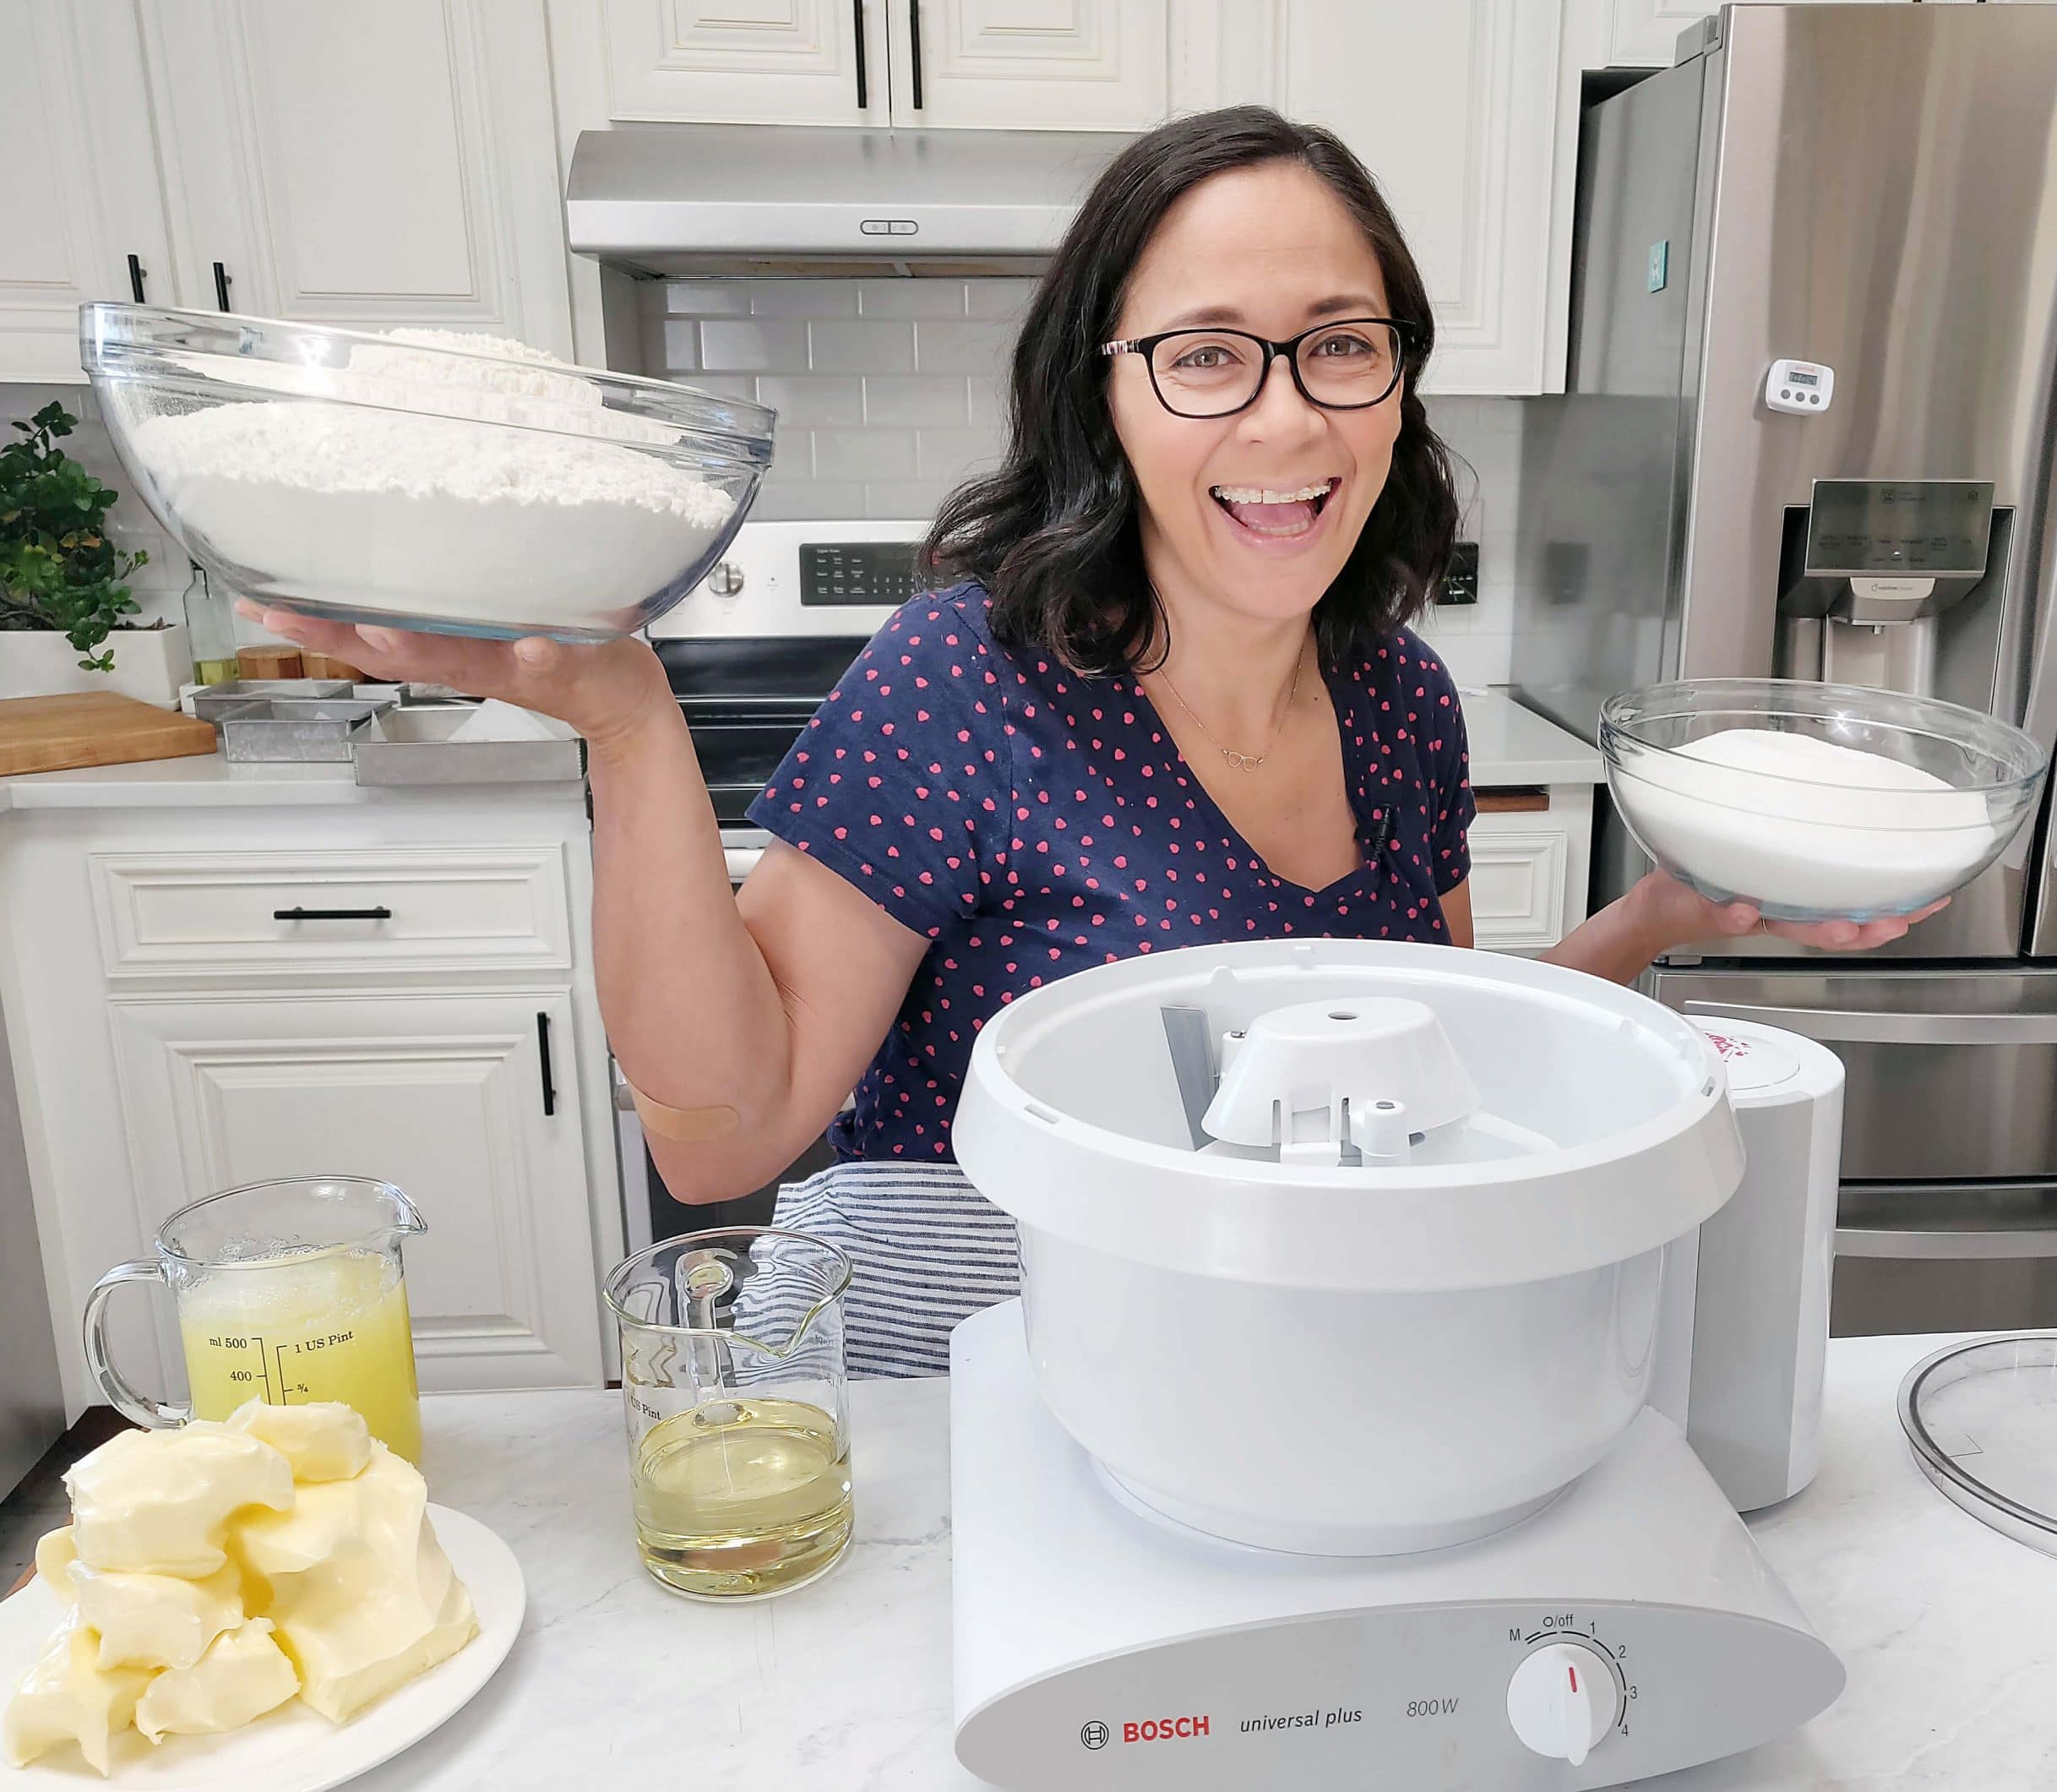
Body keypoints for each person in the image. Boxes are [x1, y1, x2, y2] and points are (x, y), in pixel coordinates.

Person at [243, 107, 1936, 1375]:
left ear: (1395, 386)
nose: (1284, 416)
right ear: (1103, 396)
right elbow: (723, 1130)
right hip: (954, 1394)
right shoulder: (961, 688)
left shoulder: (1401, 708)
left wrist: (1651, 922)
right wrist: (627, 716)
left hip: (1261, 1371)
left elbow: (1436, 1087)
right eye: (1206, 356)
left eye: (1338, 346)